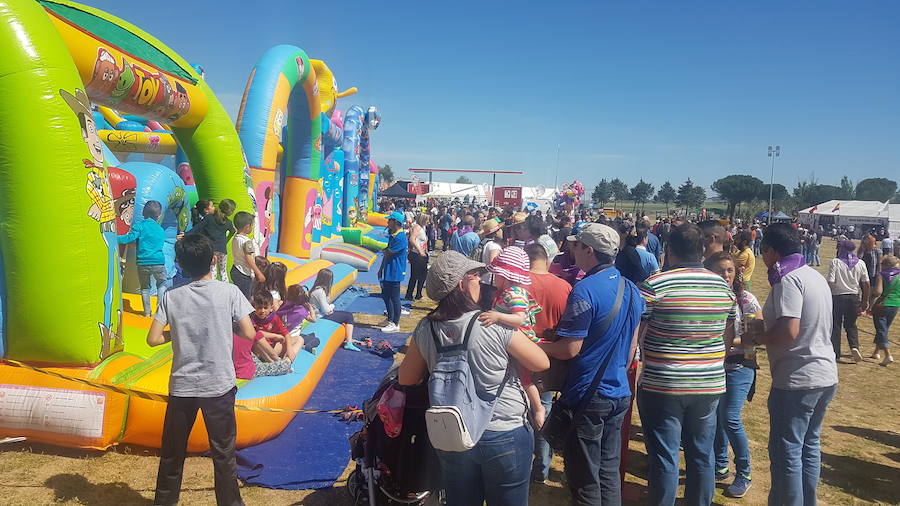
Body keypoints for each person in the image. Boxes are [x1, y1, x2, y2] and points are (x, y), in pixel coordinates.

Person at [397, 251, 549, 506]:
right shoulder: (493, 323)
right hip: (504, 430)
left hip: (454, 433)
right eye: (476, 276)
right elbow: (541, 362)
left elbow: (407, 378)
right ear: (462, 284)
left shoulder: (426, 327)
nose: (482, 281)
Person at [539, 224, 644, 504]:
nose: (571, 251)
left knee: (584, 479)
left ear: (589, 250)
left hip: (587, 394)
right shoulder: (632, 289)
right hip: (619, 392)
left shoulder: (584, 290)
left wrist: (537, 346)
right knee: (608, 473)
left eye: (576, 246)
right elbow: (633, 344)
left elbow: (569, 349)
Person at [147, 233, 253, 505]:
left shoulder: (171, 296)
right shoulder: (229, 291)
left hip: (182, 386)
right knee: (223, 452)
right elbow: (249, 332)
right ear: (214, 260)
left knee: (173, 451)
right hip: (218, 384)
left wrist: (177, 334)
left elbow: (153, 339)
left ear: (180, 264)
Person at [637, 223, 736, 506]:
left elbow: (637, 333)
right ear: (703, 249)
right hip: (708, 381)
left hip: (663, 382)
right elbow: (728, 337)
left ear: (669, 251)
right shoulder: (722, 286)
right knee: (702, 452)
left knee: (665, 455)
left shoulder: (655, 285)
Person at [744, 223, 837, 506]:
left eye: (765, 251)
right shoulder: (813, 275)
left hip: (798, 377)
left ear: (771, 250)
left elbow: (789, 331)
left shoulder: (788, 280)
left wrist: (755, 337)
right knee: (809, 447)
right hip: (824, 373)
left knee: (787, 453)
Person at [704, 251, 762, 499]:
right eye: (720, 271)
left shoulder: (745, 300)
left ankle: (744, 472)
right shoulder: (705, 298)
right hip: (712, 367)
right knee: (714, 417)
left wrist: (723, 341)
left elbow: (755, 340)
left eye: (730, 270)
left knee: (730, 417)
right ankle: (720, 465)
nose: (726, 275)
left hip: (740, 366)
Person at [524, 242, 573, 483]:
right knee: (545, 411)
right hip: (552, 360)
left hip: (522, 358)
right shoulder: (564, 286)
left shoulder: (519, 284)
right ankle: (542, 468)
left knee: (524, 413)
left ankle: (524, 465)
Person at [480, 247, 545, 428]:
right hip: (511, 342)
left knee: (525, 379)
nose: (495, 278)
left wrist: (497, 317)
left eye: (497, 275)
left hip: (521, 343)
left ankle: (538, 408)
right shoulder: (508, 293)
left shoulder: (514, 294)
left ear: (505, 275)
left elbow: (519, 318)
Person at [117, 200, 168, 317]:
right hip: (158, 262)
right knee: (161, 283)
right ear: (159, 215)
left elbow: (129, 239)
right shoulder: (160, 230)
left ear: (142, 212)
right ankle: (160, 312)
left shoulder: (139, 226)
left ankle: (147, 312)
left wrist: (114, 238)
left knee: (145, 287)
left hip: (143, 263)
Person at [826, 240, 870, 363]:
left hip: (838, 297)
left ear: (842, 249)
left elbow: (831, 281)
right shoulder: (860, 263)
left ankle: (835, 352)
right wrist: (865, 300)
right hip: (854, 297)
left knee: (835, 325)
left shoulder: (836, 262)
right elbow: (866, 283)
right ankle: (854, 347)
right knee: (851, 324)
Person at [309, 268, 359, 351]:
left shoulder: (317, 289)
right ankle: (349, 342)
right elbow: (326, 310)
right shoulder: (320, 291)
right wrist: (332, 306)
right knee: (349, 316)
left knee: (344, 314)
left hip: (320, 314)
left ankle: (347, 339)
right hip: (320, 316)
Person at [189, 198, 236, 281]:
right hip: (222, 249)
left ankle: (212, 289)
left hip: (211, 249)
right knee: (223, 272)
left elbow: (197, 228)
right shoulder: (228, 222)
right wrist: (227, 240)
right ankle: (226, 290)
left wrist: (186, 235)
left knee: (212, 271)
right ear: (230, 212)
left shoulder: (209, 218)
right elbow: (233, 231)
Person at [250, 289, 302, 363]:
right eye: (259, 308)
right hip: (260, 350)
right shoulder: (252, 318)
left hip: (272, 347)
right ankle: (284, 361)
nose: (262, 311)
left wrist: (289, 349)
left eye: (265, 308)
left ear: (271, 308)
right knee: (257, 340)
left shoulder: (274, 318)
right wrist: (275, 336)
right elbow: (256, 333)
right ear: (254, 307)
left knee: (299, 339)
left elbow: (286, 333)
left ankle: (287, 359)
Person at [378, 211, 408, 333]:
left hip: (396, 270)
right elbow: (386, 254)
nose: (387, 222)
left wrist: (380, 247)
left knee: (394, 297)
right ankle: (390, 319)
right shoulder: (393, 235)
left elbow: (388, 252)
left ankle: (395, 323)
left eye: (389, 220)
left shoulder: (400, 237)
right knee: (386, 295)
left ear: (395, 222)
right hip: (389, 269)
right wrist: (381, 269)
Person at [228, 211, 266, 300]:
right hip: (243, 273)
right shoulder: (246, 242)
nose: (252, 228)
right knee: (245, 298)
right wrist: (259, 273)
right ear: (247, 227)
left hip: (235, 269)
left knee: (237, 296)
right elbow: (249, 260)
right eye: (252, 226)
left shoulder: (236, 238)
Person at [871, 255, 900, 366]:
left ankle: (888, 355)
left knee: (881, 329)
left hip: (882, 304)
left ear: (887, 265)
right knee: (884, 328)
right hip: (896, 304)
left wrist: (871, 296)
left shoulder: (882, 275)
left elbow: (878, 292)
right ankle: (876, 352)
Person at [406, 214, 429, 300]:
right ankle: (410, 294)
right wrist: (419, 250)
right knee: (415, 275)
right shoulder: (417, 227)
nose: (428, 222)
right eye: (426, 220)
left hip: (422, 254)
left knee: (422, 274)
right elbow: (412, 239)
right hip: (417, 254)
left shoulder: (422, 228)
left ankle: (418, 293)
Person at [859, 234, 883, 308]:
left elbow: (879, 264)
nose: (867, 242)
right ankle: (864, 306)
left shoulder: (877, 251)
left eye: (868, 241)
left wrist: (879, 275)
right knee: (863, 290)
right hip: (863, 273)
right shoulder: (862, 251)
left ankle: (869, 308)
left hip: (873, 274)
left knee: (872, 292)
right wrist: (862, 248)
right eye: (865, 241)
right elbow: (858, 259)